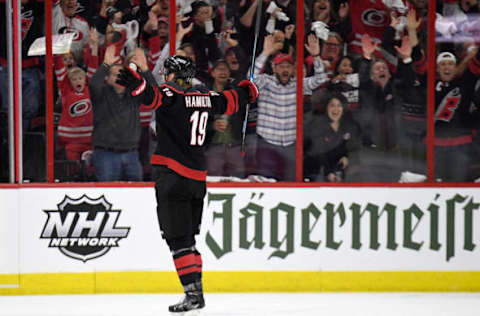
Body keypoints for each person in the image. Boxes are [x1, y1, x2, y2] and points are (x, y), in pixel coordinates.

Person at [115, 55, 258, 312]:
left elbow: (153, 97)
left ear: (173, 75)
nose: (165, 76)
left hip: (173, 176)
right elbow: (232, 100)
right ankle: (196, 292)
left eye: (167, 72)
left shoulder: (173, 93)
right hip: (197, 179)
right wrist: (247, 90)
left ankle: (193, 295)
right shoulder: (207, 95)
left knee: (178, 241)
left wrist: (137, 83)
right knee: (188, 240)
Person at [253, 33, 328, 181]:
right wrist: (265, 53)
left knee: (291, 182)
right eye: (281, 66)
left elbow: (320, 79)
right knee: (265, 184)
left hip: (290, 143)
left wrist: (316, 56)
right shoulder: (266, 82)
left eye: (288, 66)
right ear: (274, 69)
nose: (285, 70)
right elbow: (251, 78)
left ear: (293, 69)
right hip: (267, 142)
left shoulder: (299, 84)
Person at [88, 45, 156, 181]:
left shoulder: (134, 94)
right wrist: (105, 64)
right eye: (114, 74)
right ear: (108, 78)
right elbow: (93, 84)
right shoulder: (101, 94)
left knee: (136, 197)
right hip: (106, 153)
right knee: (108, 193)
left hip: (131, 153)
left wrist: (145, 69)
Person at [304, 93, 361, 182]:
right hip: (314, 172)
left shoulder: (347, 125)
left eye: (339, 106)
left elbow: (351, 147)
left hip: (336, 171)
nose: (336, 109)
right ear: (326, 108)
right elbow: (319, 151)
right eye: (332, 106)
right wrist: (329, 172)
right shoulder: (317, 125)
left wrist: (346, 157)